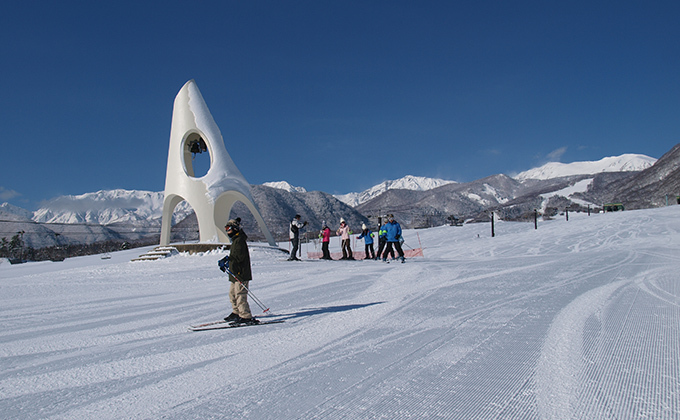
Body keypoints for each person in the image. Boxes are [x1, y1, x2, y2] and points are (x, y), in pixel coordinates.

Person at [218, 219, 259, 324]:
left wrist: (229, 262)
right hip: (235, 272)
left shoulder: (239, 240)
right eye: (226, 229)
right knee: (232, 294)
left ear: (234, 229)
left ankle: (245, 315)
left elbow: (240, 258)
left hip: (241, 272)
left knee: (240, 294)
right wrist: (227, 259)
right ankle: (236, 312)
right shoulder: (236, 240)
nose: (227, 231)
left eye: (228, 229)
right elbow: (234, 256)